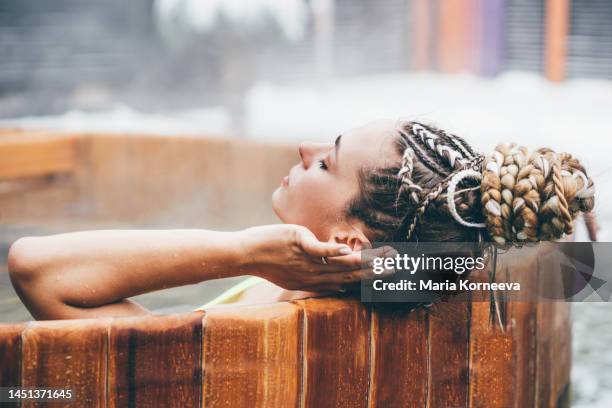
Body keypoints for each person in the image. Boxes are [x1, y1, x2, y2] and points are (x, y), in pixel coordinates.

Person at [8, 120, 595, 320]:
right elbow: (582, 274)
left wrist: (245, 252)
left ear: (348, 239)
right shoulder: (420, 287)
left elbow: (35, 269)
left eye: (327, 161)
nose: (303, 148)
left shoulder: (264, 322)